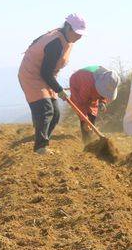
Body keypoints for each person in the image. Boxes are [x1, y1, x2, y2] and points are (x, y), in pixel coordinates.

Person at [18, 14, 86, 154]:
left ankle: (43, 141)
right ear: (67, 28)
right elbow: (45, 72)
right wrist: (59, 89)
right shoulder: (55, 42)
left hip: (46, 76)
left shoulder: (67, 40)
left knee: (55, 114)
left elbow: (49, 71)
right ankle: (40, 147)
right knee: (46, 109)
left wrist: (56, 88)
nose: (79, 37)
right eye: (76, 33)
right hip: (32, 75)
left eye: (81, 34)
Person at [68, 66, 120, 144]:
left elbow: (105, 91)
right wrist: (84, 120)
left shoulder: (110, 79)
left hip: (92, 87)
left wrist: (103, 101)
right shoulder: (87, 83)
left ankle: (90, 138)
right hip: (77, 84)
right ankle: (86, 142)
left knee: (92, 115)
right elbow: (80, 104)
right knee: (85, 118)